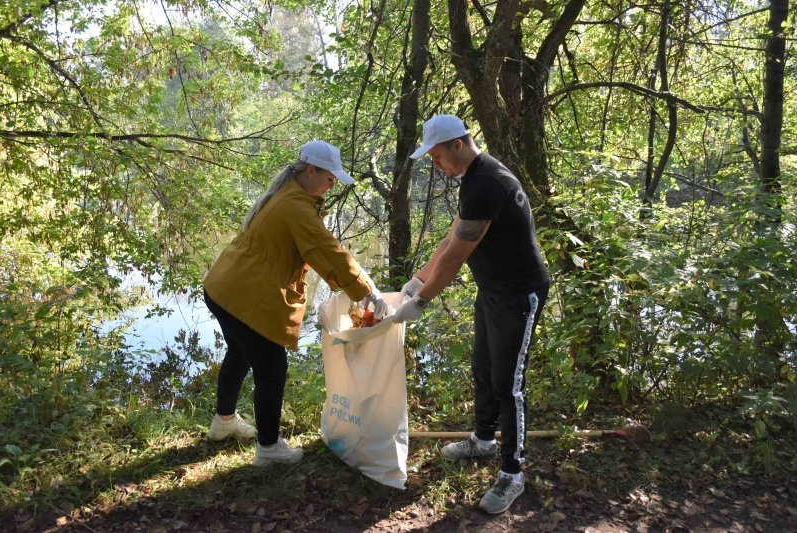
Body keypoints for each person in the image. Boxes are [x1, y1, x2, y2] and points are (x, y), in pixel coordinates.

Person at [392, 115, 550, 514]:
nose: (436, 164)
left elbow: (456, 259)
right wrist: (416, 279)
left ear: (457, 146)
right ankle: (483, 439)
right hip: (493, 290)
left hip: (519, 294)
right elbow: (451, 238)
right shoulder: (475, 176)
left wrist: (421, 301)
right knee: (483, 367)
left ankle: (513, 474)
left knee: (508, 384)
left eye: (438, 155)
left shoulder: (486, 182)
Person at [203, 140, 388, 467]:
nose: (331, 186)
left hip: (224, 286)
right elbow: (328, 252)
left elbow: (318, 252)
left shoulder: (288, 196)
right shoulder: (295, 206)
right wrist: (367, 292)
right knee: (271, 367)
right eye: (329, 178)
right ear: (311, 170)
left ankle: (224, 422)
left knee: (239, 353)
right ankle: (269, 448)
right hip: (242, 294)